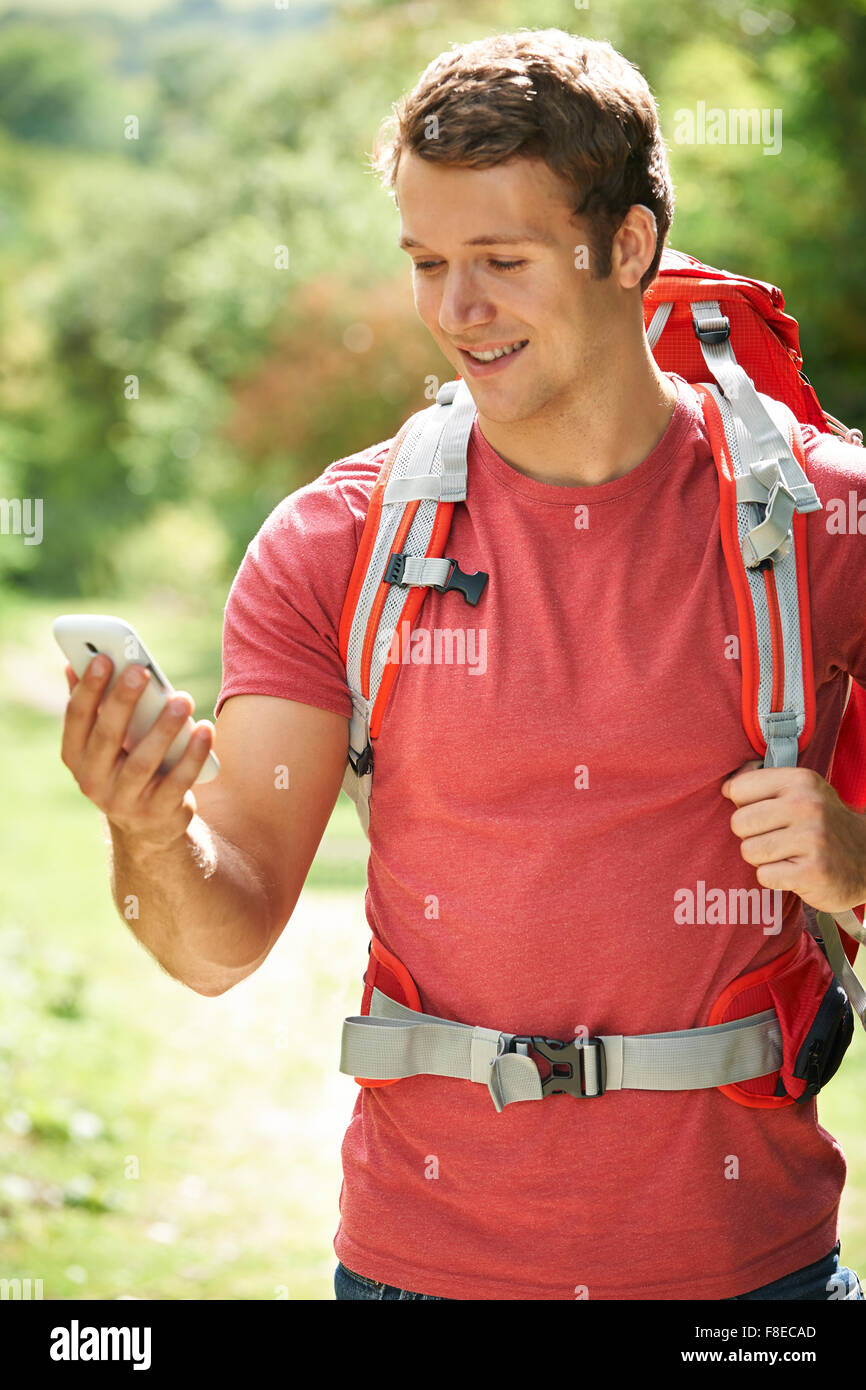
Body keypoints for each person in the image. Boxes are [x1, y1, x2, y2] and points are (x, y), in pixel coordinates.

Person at [60, 28, 866, 1301]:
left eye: (500, 261)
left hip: (748, 1282)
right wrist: (149, 832)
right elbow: (215, 944)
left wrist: (856, 865)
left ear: (628, 247)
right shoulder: (335, 543)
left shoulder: (827, 523)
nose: (454, 311)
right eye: (428, 263)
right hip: (417, 1276)